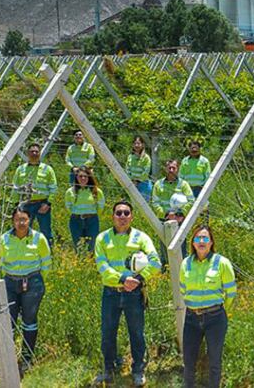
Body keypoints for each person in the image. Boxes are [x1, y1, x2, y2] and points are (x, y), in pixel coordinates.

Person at [94, 200, 162, 386]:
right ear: (112, 216)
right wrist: (123, 279)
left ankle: (138, 370)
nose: (122, 217)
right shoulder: (102, 238)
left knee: (136, 333)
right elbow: (102, 265)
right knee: (108, 332)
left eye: (126, 213)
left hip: (134, 294)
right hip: (111, 292)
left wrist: (139, 280)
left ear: (131, 216)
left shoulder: (141, 238)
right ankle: (109, 369)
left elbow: (156, 262)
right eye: (118, 213)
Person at [180, 225, 237, 388]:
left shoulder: (222, 262)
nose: (202, 241)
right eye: (198, 238)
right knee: (189, 360)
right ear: (193, 242)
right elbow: (183, 289)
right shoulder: (186, 263)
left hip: (215, 318)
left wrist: (219, 310)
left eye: (205, 238)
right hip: (192, 318)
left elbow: (231, 293)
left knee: (214, 360)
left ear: (211, 242)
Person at [0, 206, 52, 375]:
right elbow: (2, 262)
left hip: (33, 283)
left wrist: (35, 280)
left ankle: (27, 358)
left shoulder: (39, 238)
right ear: (12, 221)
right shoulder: (5, 239)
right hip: (10, 283)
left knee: (29, 320)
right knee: (8, 320)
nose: (21, 223)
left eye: (24, 219)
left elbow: (46, 263)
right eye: (17, 219)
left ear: (30, 220)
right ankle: (7, 357)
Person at [12, 142, 58, 245]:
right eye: (32, 151)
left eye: (36, 151)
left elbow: (53, 188)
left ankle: (48, 254)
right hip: (25, 205)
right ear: (27, 153)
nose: (34, 153)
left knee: (46, 231)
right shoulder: (21, 169)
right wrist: (16, 206)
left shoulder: (47, 169)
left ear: (40, 153)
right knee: (23, 230)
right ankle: (25, 251)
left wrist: (48, 204)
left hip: (42, 204)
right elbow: (15, 188)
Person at [152, 158, 194, 256]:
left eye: (173, 168)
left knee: (180, 245)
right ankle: (165, 267)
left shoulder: (183, 184)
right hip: (163, 219)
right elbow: (155, 202)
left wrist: (179, 214)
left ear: (177, 169)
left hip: (179, 220)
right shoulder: (158, 184)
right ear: (165, 169)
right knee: (164, 245)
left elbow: (191, 201)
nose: (171, 170)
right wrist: (166, 214)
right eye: (169, 168)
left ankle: (181, 266)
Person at [66, 167, 106, 254]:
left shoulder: (96, 191)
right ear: (76, 177)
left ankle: (91, 262)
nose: (83, 178)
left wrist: (93, 214)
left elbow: (101, 205)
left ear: (89, 177)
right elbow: (68, 206)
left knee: (92, 245)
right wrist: (77, 213)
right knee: (78, 245)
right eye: (80, 176)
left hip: (92, 220)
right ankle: (79, 262)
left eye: (85, 176)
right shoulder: (70, 191)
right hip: (76, 220)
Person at [126, 136, 153, 202]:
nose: (136, 145)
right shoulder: (130, 157)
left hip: (144, 185)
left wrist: (137, 181)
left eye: (138, 143)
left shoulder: (146, 158)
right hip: (132, 184)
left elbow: (146, 172)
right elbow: (127, 170)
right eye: (135, 143)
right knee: (134, 205)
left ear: (142, 145)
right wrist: (132, 180)